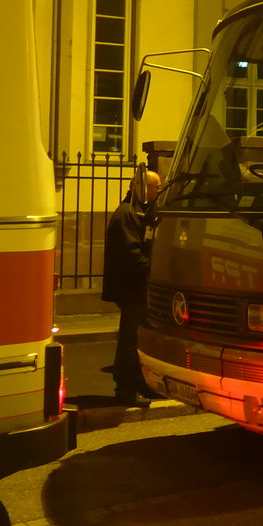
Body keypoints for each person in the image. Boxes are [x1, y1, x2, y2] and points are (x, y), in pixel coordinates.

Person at [102, 167, 161, 407]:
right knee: (131, 338)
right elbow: (131, 255)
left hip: (135, 287)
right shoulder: (126, 214)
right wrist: (153, 270)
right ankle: (126, 387)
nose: (159, 192)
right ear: (143, 188)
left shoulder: (135, 212)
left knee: (138, 337)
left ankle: (138, 382)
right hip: (132, 288)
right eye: (157, 187)